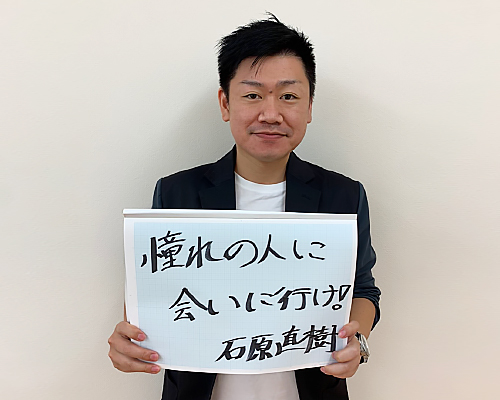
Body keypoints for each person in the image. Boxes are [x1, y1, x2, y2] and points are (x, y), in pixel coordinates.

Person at [108, 14, 381, 400]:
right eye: (253, 95)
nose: (270, 114)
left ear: (309, 106)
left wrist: (358, 341)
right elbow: (154, 292)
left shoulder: (343, 195)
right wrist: (130, 340)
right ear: (225, 103)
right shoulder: (176, 193)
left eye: (288, 96)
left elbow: (363, 289)